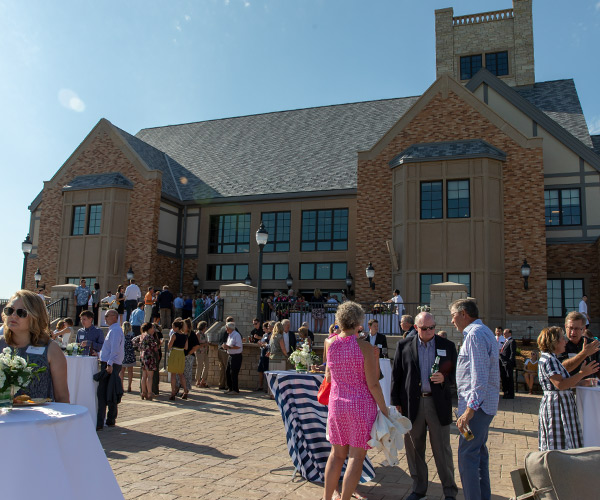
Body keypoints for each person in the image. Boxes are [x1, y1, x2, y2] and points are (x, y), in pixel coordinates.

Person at [323, 301, 388, 500]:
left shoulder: (330, 343)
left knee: (336, 456)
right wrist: (384, 409)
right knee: (356, 457)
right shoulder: (365, 347)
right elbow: (374, 383)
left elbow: (328, 377)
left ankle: (327, 498)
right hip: (360, 406)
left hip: (337, 404)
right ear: (359, 322)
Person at [391, 312, 458, 500]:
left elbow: (456, 375)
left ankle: (449, 491)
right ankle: (419, 489)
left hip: (437, 404)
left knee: (442, 449)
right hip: (413, 403)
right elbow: (397, 374)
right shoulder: (403, 346)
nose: (429, 331)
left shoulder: (447, 346)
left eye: (432, 327)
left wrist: (445, 378)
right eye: (424, 328)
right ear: (415, 328)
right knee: (414, 448)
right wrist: (396, 401)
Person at [450, 298, 499, 500]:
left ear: (463, 314)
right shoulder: (483, 331)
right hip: (482, 406)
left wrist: (470, 410)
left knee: (467, 457)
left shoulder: (475, 335)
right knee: (478, 455)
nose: (452, 320)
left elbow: (479, 376)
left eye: (453, 315)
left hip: (476, 409)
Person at [0, 290, 69, 402]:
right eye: (10, 310)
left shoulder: (51, 349)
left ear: (35, 316)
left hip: (39, 418)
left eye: (21, 312)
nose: (13, 315)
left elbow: (62, 397)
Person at [537, 326, 598, 451]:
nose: (565, 341)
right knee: (558, 445)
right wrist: (582, 373)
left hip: (561, 404)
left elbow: (562, 383)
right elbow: (560, 385)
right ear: (554, 342)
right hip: (557, 407)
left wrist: (581, 382)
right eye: (562, 339)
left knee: (565, 441)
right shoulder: (549, 360)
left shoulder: (552, 358)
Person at [97, 309, 125, 430]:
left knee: (105, 392)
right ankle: (109, 419)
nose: (105, 318)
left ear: (114, 317)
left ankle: (104, 420)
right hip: (111, 363)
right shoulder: (113, 330)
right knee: (109, 391)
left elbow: (115, 349)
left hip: (111, 364)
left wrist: (109, 364)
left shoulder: (115, 330)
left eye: (107, 316)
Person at [558, 311, 600, 378]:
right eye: (570, 328)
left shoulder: (591, 344)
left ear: (583, 329)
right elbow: (562, 369)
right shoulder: (559, 344)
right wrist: (584, 353)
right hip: (569, 386)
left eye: (577, 329)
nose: (573, 332)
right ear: (565, 327)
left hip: (590, 386)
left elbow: (597, 368)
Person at [132, 322, 159, 401]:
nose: (153, 330)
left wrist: (140, 347)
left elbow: (133, 341)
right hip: (150, 356)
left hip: (143, 356)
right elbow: (155, 347)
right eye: (152, 328)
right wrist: (158, 344)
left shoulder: (142, 335)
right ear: (149, 328)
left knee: (144, 375)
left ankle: (143, 392)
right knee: (150, 376)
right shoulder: (149, 336)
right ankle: (149, 393)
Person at [176, 318, 199, 398]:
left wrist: (190, 352)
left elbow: (197, 345)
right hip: (180, 355)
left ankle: (186, 390)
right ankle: (177, 388)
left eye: (184, 325)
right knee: (179, 373)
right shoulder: (181, 334)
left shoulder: (191, 334)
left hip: (188, 356)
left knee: (187, 373)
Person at [168, 318, 188, 400]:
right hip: (181, 353)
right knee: (181, 374)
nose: (173, 329)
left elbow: (169, 346)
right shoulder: (185, 336)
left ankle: (173, 392)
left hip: (175, 353)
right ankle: (186, 390)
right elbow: (186, 347)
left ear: (177, 327)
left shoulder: (174, 335)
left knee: (173, 374)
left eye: (173, 327)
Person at [221, 321, 243, 395]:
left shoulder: (236, 335)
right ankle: (230, 388)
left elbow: (238, 346)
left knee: (233, 373)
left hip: (236, 356)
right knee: (228, 372)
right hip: (230, 355)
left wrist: (228, 347)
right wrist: (225, 347)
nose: (226, 330)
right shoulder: (230, 335)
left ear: (230, 328)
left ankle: (235, 389)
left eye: (227, 328)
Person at [217, 316, 235, 390]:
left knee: (222, 368)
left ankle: (221, 384)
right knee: (227, 368)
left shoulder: (221, 328)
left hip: (219, 349)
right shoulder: (230, 329)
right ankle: (228, 385)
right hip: (225, 350)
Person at [500, 328, 516, 399]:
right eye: (503, 333)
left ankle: (510, 393)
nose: (504, 334)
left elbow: (513, 352)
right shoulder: (506, 341)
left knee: (509, 378)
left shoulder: (512, 341)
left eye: (505, 333)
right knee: (504, 378)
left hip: (507, 363)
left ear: (510, 333)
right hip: (503, 362)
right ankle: (506, 392)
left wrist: (510, 362)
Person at [255, 321, 271, 391]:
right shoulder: (264, 335)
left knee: (266, 370)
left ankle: (267, 387)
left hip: (266, 355)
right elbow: (262, 344)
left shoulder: (271, 335)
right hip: (262, 354)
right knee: (260, 370)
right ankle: (260, 385)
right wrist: (260, 344)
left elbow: (269, 345)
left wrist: (264, 344)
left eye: (265, 328)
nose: (263, 330)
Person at [120, 321, 136, 393]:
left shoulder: (121, 334)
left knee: (122, 371)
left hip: (122, 354)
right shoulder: (132, 334)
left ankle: (121, 385)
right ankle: (129, 385)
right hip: (130, 353)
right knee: (130, 371)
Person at [195, 321, 209, 388]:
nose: (206, 327)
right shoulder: (198, 334)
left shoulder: (205, 334)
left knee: (207, 365)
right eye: (205, 326)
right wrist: (204, 344)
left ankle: (203, 380)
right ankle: (197, 380)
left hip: (205, 352)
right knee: (199, 366)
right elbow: (196, 344)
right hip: (199, 352)